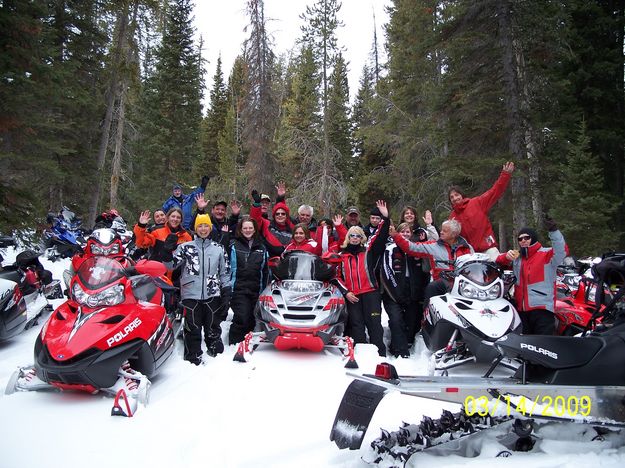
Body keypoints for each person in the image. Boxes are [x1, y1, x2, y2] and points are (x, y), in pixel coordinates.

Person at [325, 200, 390, 357]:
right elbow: (336, 277)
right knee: (357, 325)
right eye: (352, 235)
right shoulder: (342, 256)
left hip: (371, 293)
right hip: (353, 296)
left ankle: (380, 355)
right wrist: (346, 292)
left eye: (358, 236)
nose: (355, 238)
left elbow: (380, 236)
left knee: (374, 324)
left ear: (362, 238)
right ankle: (360, 354)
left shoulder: (369, 252)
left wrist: (386, 219)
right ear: (348, 238)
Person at [165, 214, 231, 364]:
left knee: (213, 327)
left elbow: (225, 273)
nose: (203, 229)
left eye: (206, 225)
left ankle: (217, 356)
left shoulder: (218, 248)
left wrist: (226, 294)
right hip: (190, 294)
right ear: (195, 228)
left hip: (212, 293)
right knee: (192, 328)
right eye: (200, 226)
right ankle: (192, 358)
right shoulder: (185, 247)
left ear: (210, 228)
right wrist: (167, 252)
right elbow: (170, 266)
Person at [496, 218, 566, 335]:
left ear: (533, 238)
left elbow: (562, 250)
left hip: (542, 310)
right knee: (525, 347)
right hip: (521, 311)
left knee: (544, 346)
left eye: (526, 238)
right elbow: (497, 262)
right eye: (520, 239)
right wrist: (505, 257)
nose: (523, 240)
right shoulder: (517, 258)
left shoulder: (547, 254)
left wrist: (553, 231)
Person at [391, 219, 474, 306]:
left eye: (444, 231)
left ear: (454, 234)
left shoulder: (468, 248)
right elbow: (411, 248)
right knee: (432, 287)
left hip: (464, 287)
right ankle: (426, 316)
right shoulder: (433, 246)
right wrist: (396, 235)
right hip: (441, 286)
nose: (441, 232)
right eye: (441, 229)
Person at [380, 222, 430, 357]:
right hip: (393, 291)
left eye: (408, 232)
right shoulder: (390, 249)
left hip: (412, 291)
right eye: (403, 232)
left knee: (412, 320)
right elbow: (386, 272)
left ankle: (405, 343)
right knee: (396, 319)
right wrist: (396, 294)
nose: (406, 234)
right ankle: (401, 352)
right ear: (397, 233)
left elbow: (424, 272)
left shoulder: (415, 249)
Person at [448, 161, 514, 260]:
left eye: (457, 195)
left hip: (488, 249)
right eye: (451, 197)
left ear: (462, 195)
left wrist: (505, 175)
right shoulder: (452, 217)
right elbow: (448, 237)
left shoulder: (477, 203)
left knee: (496, 266)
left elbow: (495, 191)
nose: (455, 198)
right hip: (469, 255)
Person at [228, 217, 269, 345]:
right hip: (238, 288)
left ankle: (248, 344)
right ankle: (234, 343)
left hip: (256, 289)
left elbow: (265, 270)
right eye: (245, 228)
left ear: (255, 229)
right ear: (240, 229)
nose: (248, 230)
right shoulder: (234, 245)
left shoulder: (261, 247)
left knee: (252, 318)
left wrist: (264, 290)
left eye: (250, 228)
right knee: (242, 316)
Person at [250, 189, 294, 256]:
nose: (280, 215)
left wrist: (281, 197)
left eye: (283, 214)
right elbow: (255, 221)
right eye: (277, 214)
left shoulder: (293, 226)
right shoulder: (267, 224)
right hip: (271, 261)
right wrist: (256, 204)